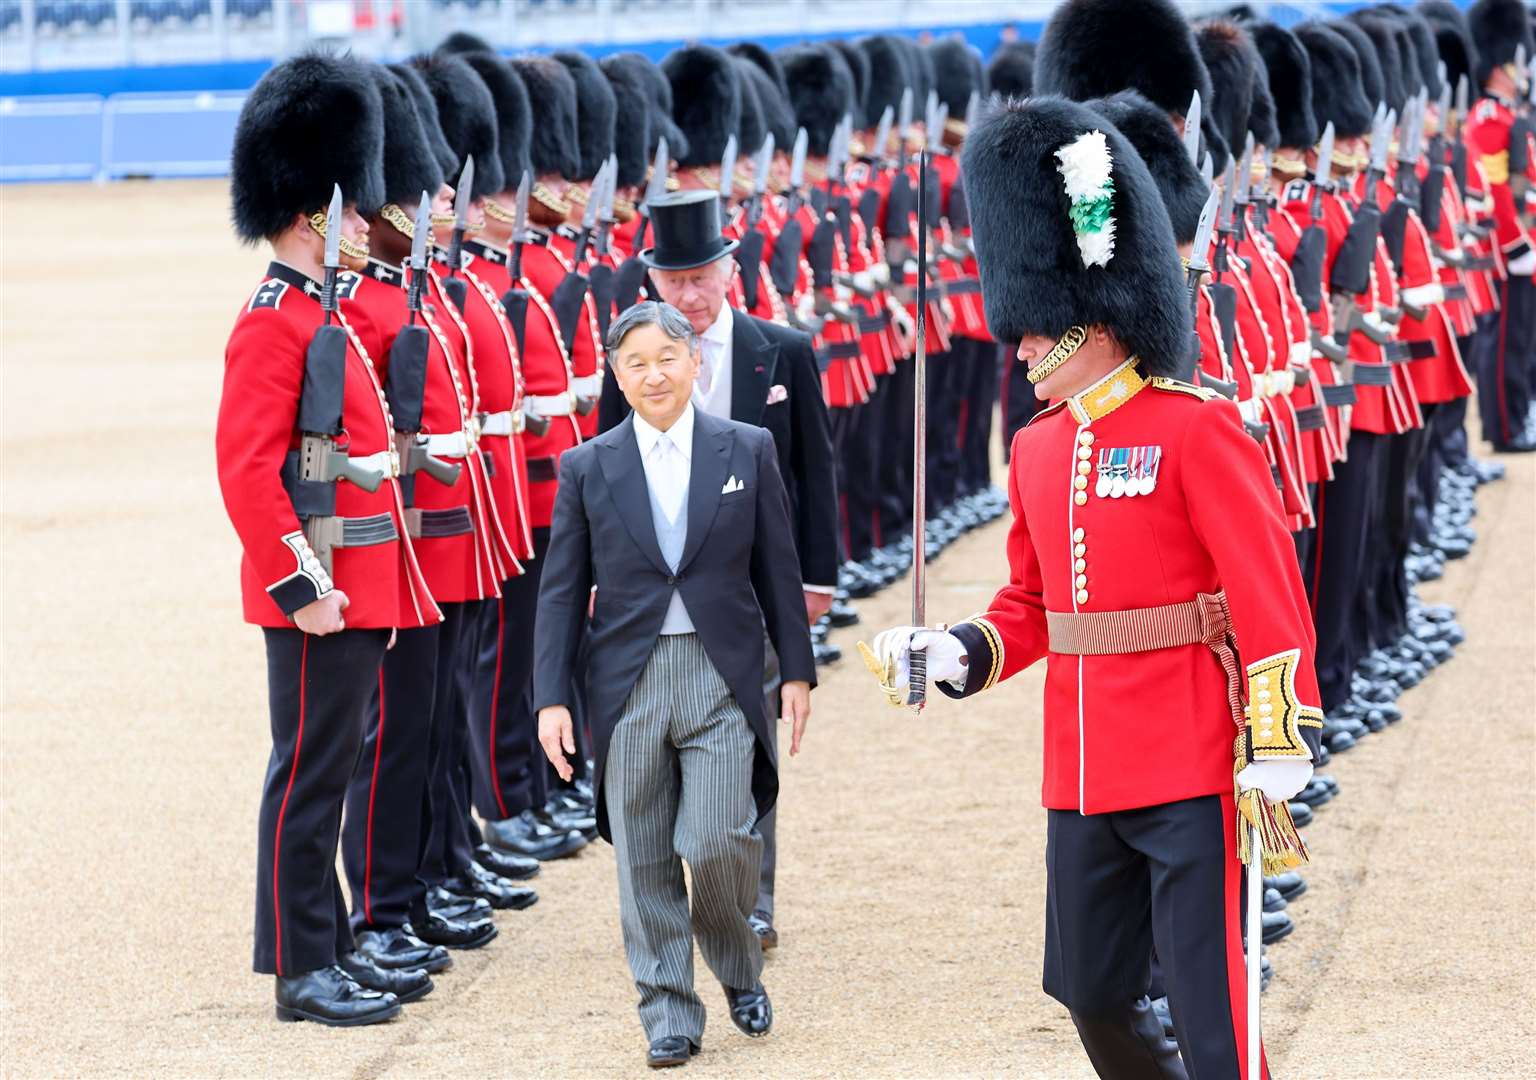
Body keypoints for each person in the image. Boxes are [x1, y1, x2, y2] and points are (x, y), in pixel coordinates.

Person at [864, 96, 1324, 1079]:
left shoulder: (1196, 428)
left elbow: (1265, 589)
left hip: (1193, 757)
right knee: (1091, 991)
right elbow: (1032, 604)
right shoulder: (1034, 450)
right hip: (1080, 766)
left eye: (1036, 332)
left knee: (1212, 1003)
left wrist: (1280, 737)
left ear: (1095, 324)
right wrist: (955, 650)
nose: (1020, 348)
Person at [219, 50, 441, 1025]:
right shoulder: (274, 321)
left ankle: (333, 944)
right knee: (309, 776)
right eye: (352, 210)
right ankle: (301, 970)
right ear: (312, 210)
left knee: (337, 767)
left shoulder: (326, 315)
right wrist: (301, 584)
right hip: (319, 590)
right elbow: (247, 472)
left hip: (356, 578)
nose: (366, 224)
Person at [533, 301, 814, 1068]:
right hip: (627, 683)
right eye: (636, 363)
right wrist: (551, 698)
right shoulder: (588, 466)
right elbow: (560, 591)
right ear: (617, 379)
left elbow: (777, 570)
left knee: (716, 837)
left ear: (698, 363)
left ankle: (736, 964)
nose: (654, 374)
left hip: (723, 674)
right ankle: (667, 1011)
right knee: (644, 854)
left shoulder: (746, 448)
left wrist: (796, 670)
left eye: (667, 357)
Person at [608, 186, 837, 949]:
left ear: (731, 271)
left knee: (751, 745)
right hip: (660, 595)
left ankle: (749, 899)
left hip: (752, 591)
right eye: (675, 282)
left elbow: (817, 474)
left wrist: (816, 580)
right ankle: (673, 893)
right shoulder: (635, 362)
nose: (692, 295)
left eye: (704, 275)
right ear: (653, 284)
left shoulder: (787, 351)